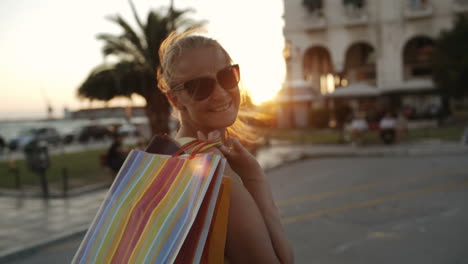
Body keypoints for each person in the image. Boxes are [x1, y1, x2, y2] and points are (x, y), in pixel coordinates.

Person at [157, 31, 294, 263]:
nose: (220, 93)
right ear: (175, 99)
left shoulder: (169, 157)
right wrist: (254, 178)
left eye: (227, 76)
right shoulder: (213, 171)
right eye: (200, 86)